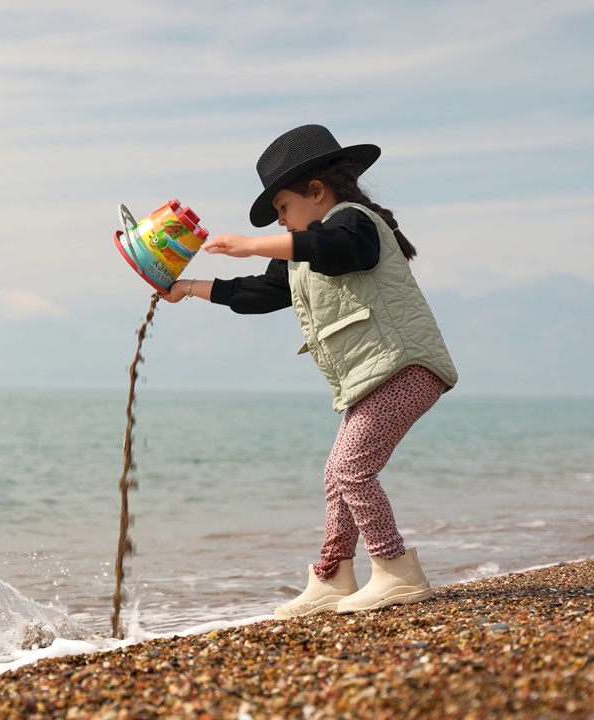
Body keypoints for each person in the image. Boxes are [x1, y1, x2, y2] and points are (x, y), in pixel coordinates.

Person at [162, 124, 458, 617]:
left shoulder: (353, 223)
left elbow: (338, 250)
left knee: (352, 469)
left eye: (282, 210)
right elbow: (262, 293)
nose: (281, 224)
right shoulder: (302, 251)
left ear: (316, 191)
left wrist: (254, 244)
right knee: (336, 475)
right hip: (375, 374)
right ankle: (334, 576)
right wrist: (189, 287)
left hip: (407, 366)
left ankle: (397, 571)